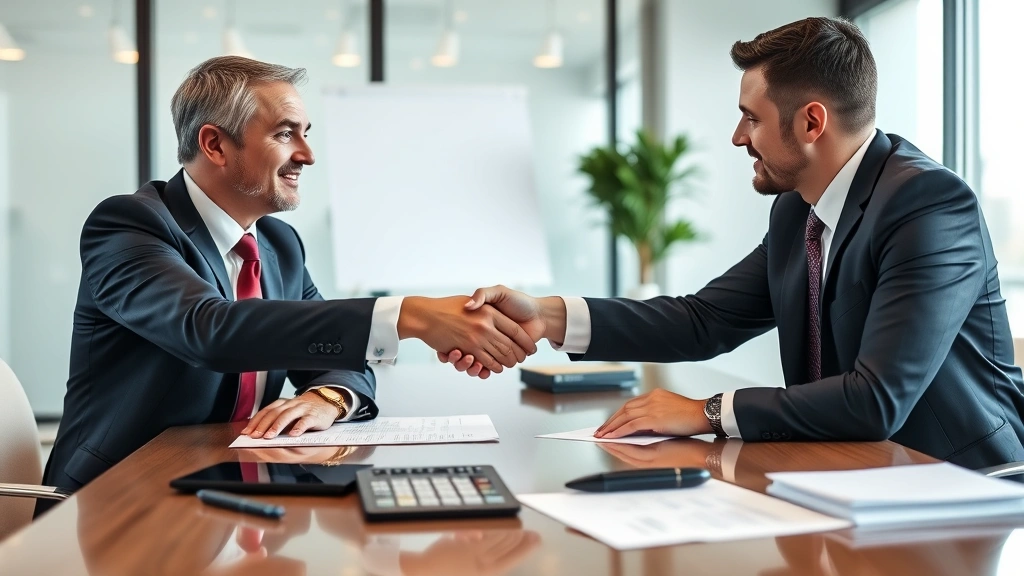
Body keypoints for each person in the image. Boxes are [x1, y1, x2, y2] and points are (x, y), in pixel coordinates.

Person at [442, 17, 1024, 470]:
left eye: (752, 118)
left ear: (812, 123)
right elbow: (705, 320)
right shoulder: (797, 210)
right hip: (850, 471)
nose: (737, 136)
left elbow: (876, 400)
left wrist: (706, 412)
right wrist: (547, 316)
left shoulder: (928, 205)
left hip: (960, 486)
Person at [41, 56, 537, 504]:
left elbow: (338, 356)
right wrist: (408, 315)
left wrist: (328, 399)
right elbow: (208, 330)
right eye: (285, 134)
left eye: (306, 133)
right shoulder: (129, 225)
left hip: (233, 490)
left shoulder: (280, 244)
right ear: (214, 144)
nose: (307, 154)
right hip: (119, 500)